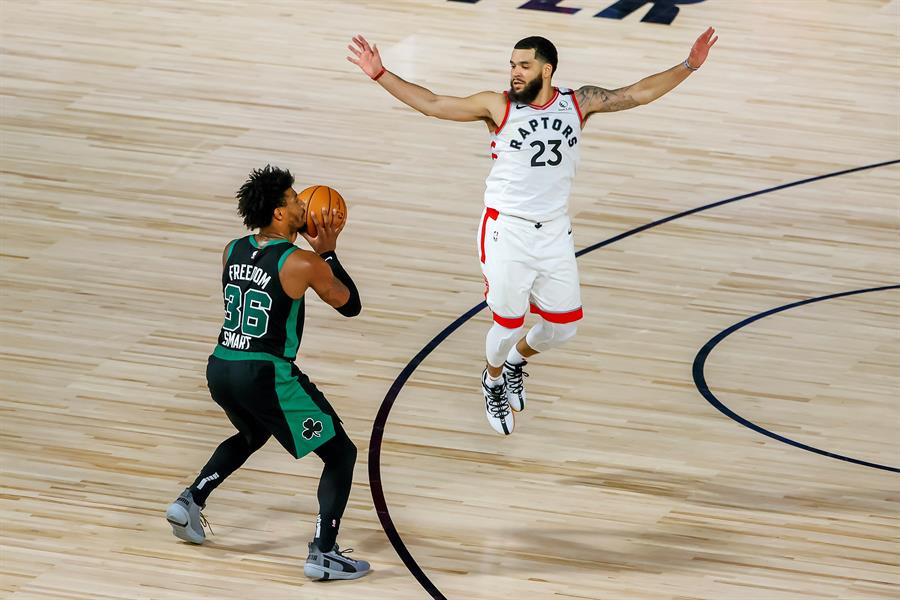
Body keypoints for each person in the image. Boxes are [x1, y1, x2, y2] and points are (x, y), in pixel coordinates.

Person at [347, 29, 717, 435]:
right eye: (512, 65)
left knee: (563, 328)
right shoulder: (498, 106)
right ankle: (491, 381)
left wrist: (689, 66)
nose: (515, 73)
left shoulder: (579, 102)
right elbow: (434, 104)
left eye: (523, 66)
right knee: (506, 323)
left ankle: (515, 362)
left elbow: (638, 93)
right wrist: (380, 73)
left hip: (555, 231)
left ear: (547, 68)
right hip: (507, 230)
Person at [165, 165, 370, 581]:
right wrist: (328, 252)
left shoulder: (232, 248)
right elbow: (350, 305)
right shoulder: (302, 262)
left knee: (252, 434)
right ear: (279, 213)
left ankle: (191, 500)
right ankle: (324, 553)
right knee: (341, 454)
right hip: (266, 373)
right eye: (295, 199)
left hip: (221, 365)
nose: (302, 202)